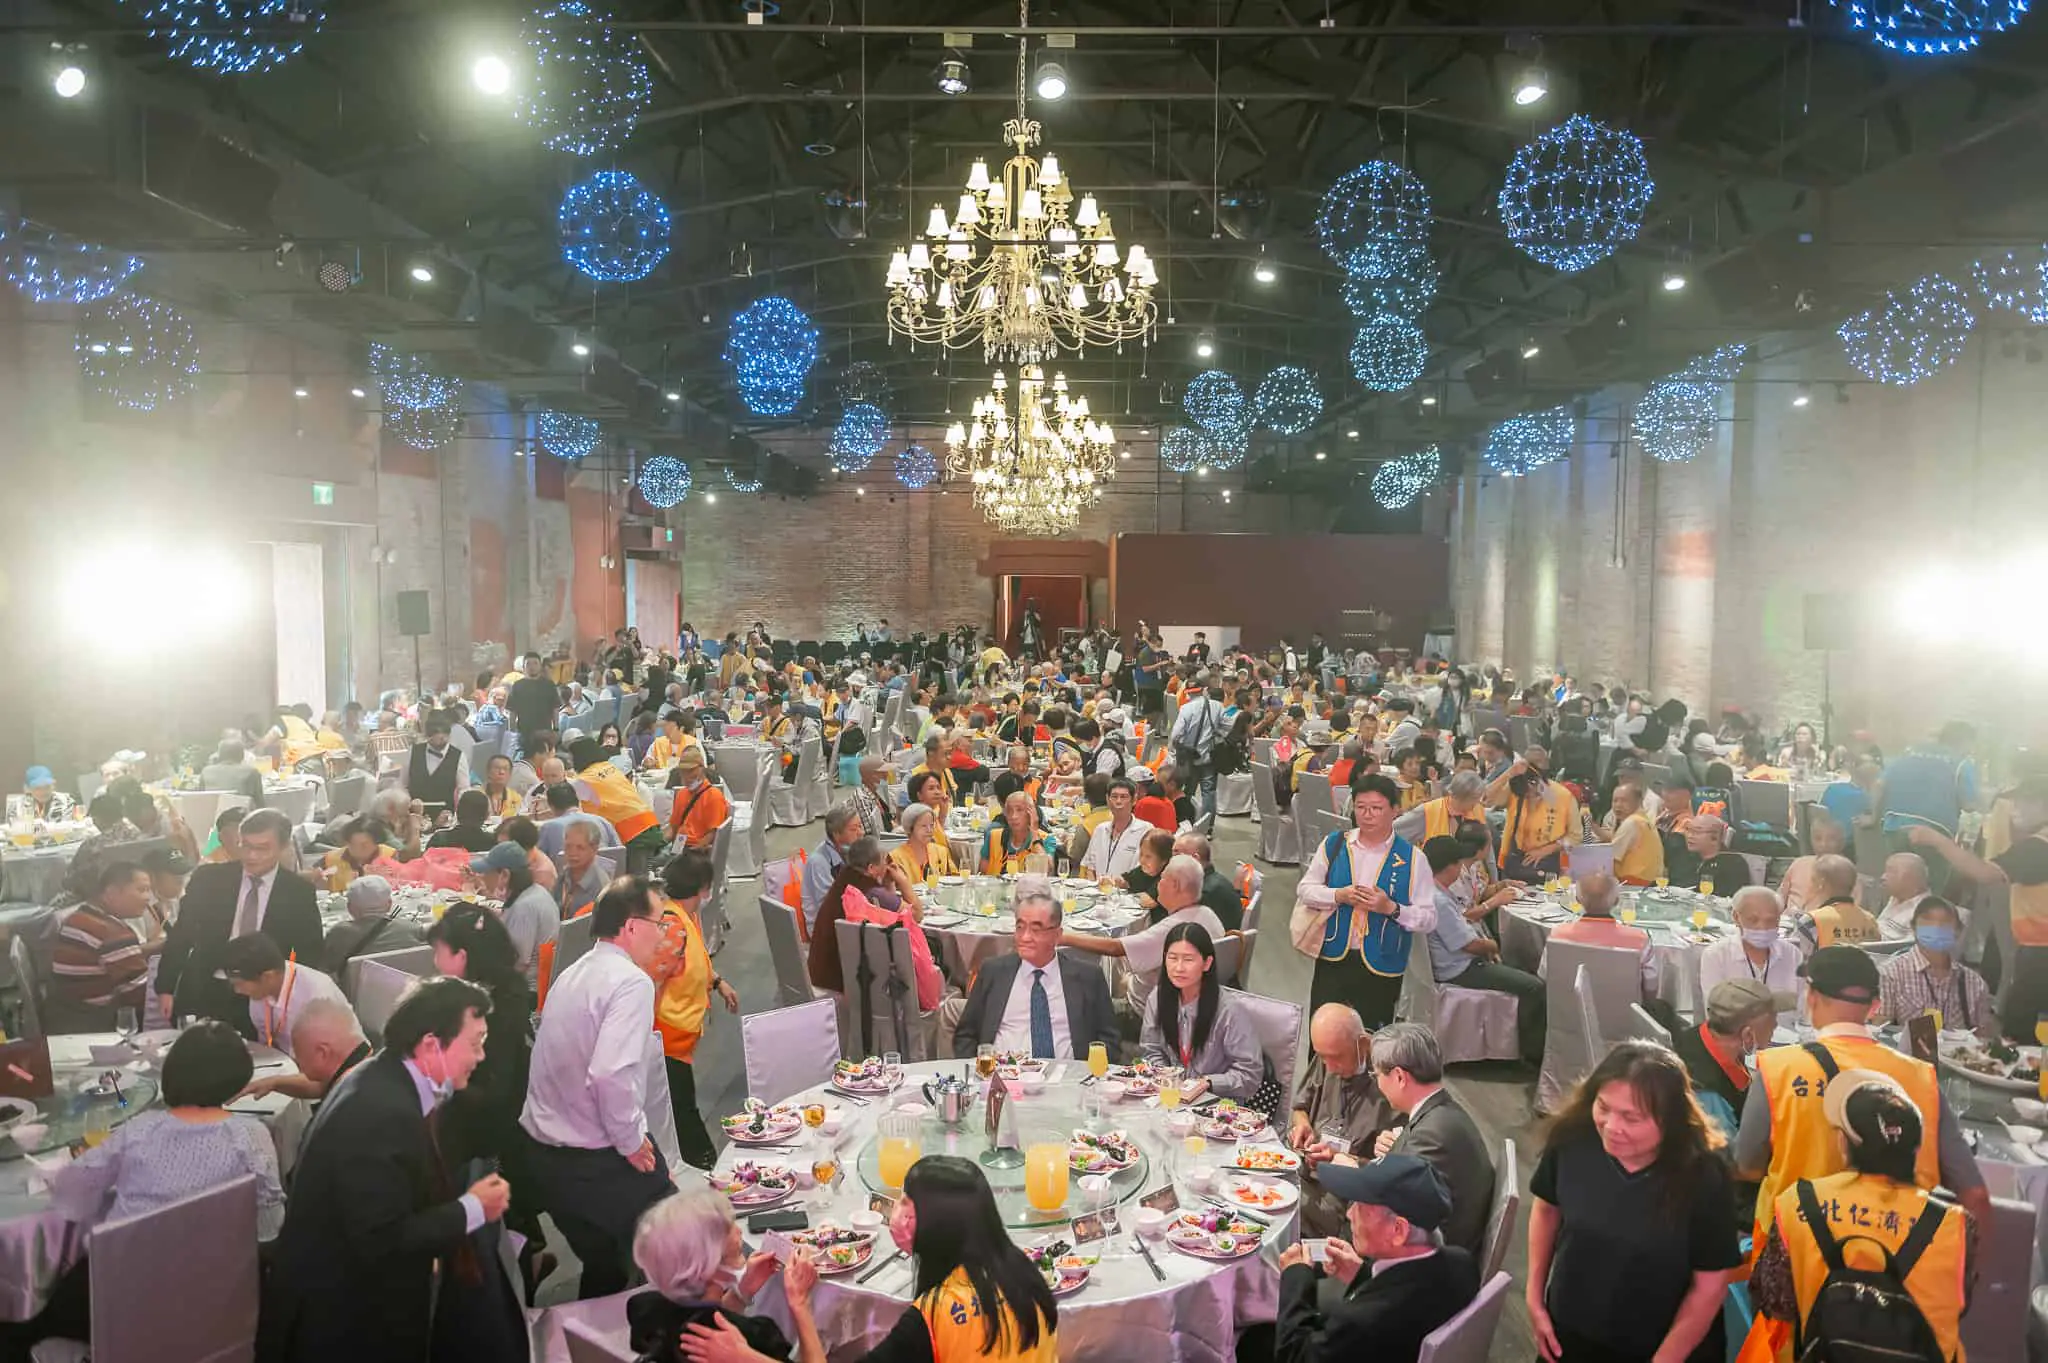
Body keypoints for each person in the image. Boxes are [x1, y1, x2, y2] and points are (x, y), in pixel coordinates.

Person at [260, 977, 506, 1363]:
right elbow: (383, 1239)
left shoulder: (385, 1077)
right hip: (341, 1324)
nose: (481, 1056)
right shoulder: (380, 1113)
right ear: (431, 1045)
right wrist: (472, 1208)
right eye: (475, 1043)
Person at [10, 1023, 287, 1356]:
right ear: (237, 1078)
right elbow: (269, 1227)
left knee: (27, 1317)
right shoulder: (252, 1136)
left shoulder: (141, 1130)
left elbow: (72, 1197)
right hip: (215, 1298)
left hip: (126, 1299)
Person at [1734, 946, 1990, 1252]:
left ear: (1811, 997)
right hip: (1897, 1261)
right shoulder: (1921, 1077)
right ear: (1874, 1007)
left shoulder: (1778, 1069)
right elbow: (1975, 1195)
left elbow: (1747, 1167)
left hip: (1794, 1254)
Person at [683, 1154, 1057, 1363]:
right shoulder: (1023, 1273)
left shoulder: (932, 1316)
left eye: (907, 1203)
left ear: (937, 1224)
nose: (896, 1212)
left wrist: (749, 1351)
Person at [1526, 1042, 1743, 1363]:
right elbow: (1546, 1208)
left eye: (1632, 1118)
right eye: (1603, 1107)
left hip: (1658, 1345)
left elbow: (1709, 1287)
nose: (1612, 1127)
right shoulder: (1573, 1139)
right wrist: (1534, 1299)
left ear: (1670, 1120)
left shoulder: (1704, 1178)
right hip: (1570, 1330)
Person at [519, 876, 675, 1298]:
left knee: (606, 1266)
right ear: (632, 926)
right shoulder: (631, 982)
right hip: (593, 1161)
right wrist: (630, 1142)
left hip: (543, 1156)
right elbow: (610, 1074)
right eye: (660, 923)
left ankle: (598, 1327)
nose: (663, 935)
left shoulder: (573, 972)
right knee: (686, 1239)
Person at [1748, 1073, 1973, 1363]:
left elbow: (1774, 1302)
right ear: (1916, 1149)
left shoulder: (1799, 1203)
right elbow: (1958, 1306)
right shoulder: (1956, 1223)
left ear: (1844, 1143)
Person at [1269, 1156, 1479, 1363]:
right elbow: (1407, 1291)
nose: (1350, 1214)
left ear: (1398, 1230)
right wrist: (1362, 1274)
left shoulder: (1361, 1322)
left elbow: (1295, 1355)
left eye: (1360, 1206)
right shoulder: (1462, 1263)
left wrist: (1295, 1277)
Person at [1902, 777, 2048, 1036]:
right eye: (2014, 803)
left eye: (2024, 803)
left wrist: (1937, 840)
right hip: (2036, 949)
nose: (2014, 810)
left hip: (2041, 952)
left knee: (2021, 1032)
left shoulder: (2037, 847)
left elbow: (1982, 872)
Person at [1294, 775, 1439, 1027]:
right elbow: (1305, 889)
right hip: (1334, 956)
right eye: (1361, 807)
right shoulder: (1335, 844)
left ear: (1395, 810)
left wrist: (1391, 908)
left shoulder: (1413, 858)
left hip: (1383, 960)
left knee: (1372, 1035)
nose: (1367, 815)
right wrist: (1338, 895)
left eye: (1376, 808)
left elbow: (1428, 919)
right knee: (1325, 1031)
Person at [159, 809, 322, 1027]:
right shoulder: (210, 879)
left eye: (262, 848)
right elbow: (181, 935)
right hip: (207, 986)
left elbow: (308, 953)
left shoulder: (298, 892)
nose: (251, 856)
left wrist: (292, 998)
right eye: (245, 845)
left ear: (283, 847)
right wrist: (166, 987)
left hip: (263, 996)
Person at [1366, 1023, 1496, 1256]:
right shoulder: (1444, 1112)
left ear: (1399, 1077)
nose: (1378, 1084)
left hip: (1428, 1263)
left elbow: (1391, 1214)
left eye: (1377, 1075)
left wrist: (1355, 1171)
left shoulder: (1431, 1136)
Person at [950, 885, 1119, 1060]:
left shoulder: (1088, 977)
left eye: (1036, 930)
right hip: (1002, 1072)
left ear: (1057, 935)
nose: (1025, 937)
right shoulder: (993, 972)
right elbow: (965, 1035)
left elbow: (1110, 1040)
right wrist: (980, 1070)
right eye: (1020, 927)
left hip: (1068, 1072)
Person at [628, 1188, 795, 1363]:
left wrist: (740, 1293)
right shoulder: (758, 1336)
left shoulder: (645, 1309)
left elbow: (703, 1317)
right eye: (729, 1228)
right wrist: (800, 1306)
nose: (739, 1231)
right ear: (708, 1261)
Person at [1421, 834, 1544, 1064]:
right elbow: (1469, 945)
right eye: (1458, 864)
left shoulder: (1431, 890)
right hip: (1459, 968)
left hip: (1455, 960)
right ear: (1451, 867)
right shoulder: (1439, 900)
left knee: (1520, 967)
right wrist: (1492, 945)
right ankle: (1531, 1054)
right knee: (1534, 987)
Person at [657, 851, 740, 1169]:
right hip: (666, 1036)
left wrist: (717, 982)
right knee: (682, 1108)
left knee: (681, 1104)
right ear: (704, 888)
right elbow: (649, 982)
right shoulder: (672, 926)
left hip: (678, 1033)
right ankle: (705, 1165)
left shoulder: (683, 917)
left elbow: (693, 961)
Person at [1286, 1004, 1393, 1239]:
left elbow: (1390, 1174)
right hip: (1305, 1169)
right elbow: (1300, 1107)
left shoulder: (1390, 1082)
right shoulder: (1327, 1056)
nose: (1330, 1068)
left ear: (1363, 1044)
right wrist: (1302, 1125)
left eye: (1336, 1058)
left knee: (1281, 1205)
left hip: (1344, 1195)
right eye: (1322, 1056)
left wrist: (1338, 1158)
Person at [1063, 854, 1225, 1007]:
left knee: (1082, 1004)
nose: (1158, 885)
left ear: (1174, 885)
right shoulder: (1209, 915)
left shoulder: (1175, 929)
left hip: (1145, 1010)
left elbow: (1115, 948)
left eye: (1162, 879)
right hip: (1196, 1004)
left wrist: (1065, 937)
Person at [807, 838, 943, 1012]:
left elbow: (890, 912)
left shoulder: (845, 879)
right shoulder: (873, 892)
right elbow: (916, 915)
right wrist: (903, 881)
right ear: (871, 868)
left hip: (822, 971)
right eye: (885, 860)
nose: (888, 865)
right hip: (848, 986)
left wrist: (888, 884)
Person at [1137, 923, 1265, 1103]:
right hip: (1170, 1095)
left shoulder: (1229, 1010)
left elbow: (1250, 1075)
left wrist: (1209, 1083)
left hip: (1215, 1104)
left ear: (1207, 963)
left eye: (1188, 959)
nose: (1179, 967)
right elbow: (1150, 1050)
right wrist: (1167, 1077)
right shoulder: (1157, 998)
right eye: (1172, 958)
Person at [48, 860, 154, 1032]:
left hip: (68, 1012)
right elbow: (142, 996)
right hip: (95, 1022)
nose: (148, 897)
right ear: (111, 892)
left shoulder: (81, 916)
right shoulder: (112, 932)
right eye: (142, 890)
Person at [1671, 979, 1782, 1137]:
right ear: (1747, 1035)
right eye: (1772, 1018)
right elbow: (1730, 1150)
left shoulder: (1701, 1036)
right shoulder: (1710, 1098)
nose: (1776, 1025)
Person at [1872, 896, 1994, 1038]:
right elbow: (1880, 1030)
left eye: (1945, 921)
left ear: (1958, 931)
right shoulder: (1890, 974)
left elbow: (1983, 1037)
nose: (1936, 927)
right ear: (1914, 927)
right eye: (1928, 919)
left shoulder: (1974, 983)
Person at [222, 932, 351, 1057]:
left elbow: (327, 1062)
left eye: (240, 984)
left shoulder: (317, 996)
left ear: (268, 977)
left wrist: (277, 1074)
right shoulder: (261, 990)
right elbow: (265, 1038)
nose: (237, 990)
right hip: (285, 1059)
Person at [1539, 871, 1660, 1003]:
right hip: (1626, 1013)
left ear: (1578, 900)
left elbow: (1544, 975)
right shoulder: (1639, 940)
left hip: (1567, 1010)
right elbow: (1651, 985)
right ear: (1617, 901)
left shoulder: (1558, 934)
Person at [1699, 886, 1803, 1026]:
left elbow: (1803, 1007)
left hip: (1787, 1034)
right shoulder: (1716, 955)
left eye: (1770, 920)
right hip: (1736, 1034)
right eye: (1753, 920)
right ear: (1736, 917)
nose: (1762, 928)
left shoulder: (1792, 954)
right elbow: (1716, 1014)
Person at [467, 841, 558, 985]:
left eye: (487, 872)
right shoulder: (536, 891)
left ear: (505, 875)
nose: (483, 877)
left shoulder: (523, 908)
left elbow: (518, 963)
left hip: (528, 987)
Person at [571, 737, 665, 874]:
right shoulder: (610, 767)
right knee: (642, 878)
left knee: (634, 882)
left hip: (631, 832)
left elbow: (567, 801)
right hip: (649, 823)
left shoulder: (583, 780)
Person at [1489, 751, 1580, 881]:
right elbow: (1486, 799)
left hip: (1548, 866)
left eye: (1532, 794)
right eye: (1525, 796)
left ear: (1538, 782)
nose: (1529, 798)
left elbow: (1575, 836)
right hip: (1514, 862)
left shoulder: (1564, 797)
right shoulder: (1515, 787)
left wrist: (1548, 849)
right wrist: (1508, 773)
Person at [320, 874, 425, 977]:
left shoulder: (339, 934)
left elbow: (323, 972)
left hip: (355, 988)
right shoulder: (412, 930)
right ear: (389, 904)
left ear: (350, 908)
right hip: (406, 987)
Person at [1792, 853, 1882, 950]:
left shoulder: (1811, 921)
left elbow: (1798, 956)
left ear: (1821, 883)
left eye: (1813, 879)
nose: (1810, 884)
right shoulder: (1869, 920)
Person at [800, 801, 863, 938]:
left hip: (847, 918)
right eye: (854, 829)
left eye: (860, 826)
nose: (861, 833)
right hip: (825, 930)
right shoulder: (818, 862)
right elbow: (831, 906)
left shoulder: (848, 852)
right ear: (836, 834)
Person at [1080, 777, 1153, 880]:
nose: (1118, 801)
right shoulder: (1100, 829)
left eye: (1124, 797)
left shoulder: (1146, 830)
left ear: (1134, 800)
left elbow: (1145, 870)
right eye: (1114, 796)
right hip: (1098, 888)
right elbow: (1089, 867)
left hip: (1127, 889)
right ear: (1107, 799)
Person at [1776, 814, 1849, 916]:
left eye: (1831, 839)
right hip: (1788, 921)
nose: (1824, 844)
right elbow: (1779, 898)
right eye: (1818, 838)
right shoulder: (1799, 864)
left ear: (1842, 842)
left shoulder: (1848, 875)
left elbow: (1849, 914)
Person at [1174, 830, 1247, 932]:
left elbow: (1183, 930)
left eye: (1176, 853)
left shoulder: (1203, 893)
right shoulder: (1214, 880)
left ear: (1195, 859)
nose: (1171, 859)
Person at [1603, 780, 1667, 886]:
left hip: (1633, 884)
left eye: (1624, 801)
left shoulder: (1631, 822)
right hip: (1651, 884)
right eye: (1615, 801)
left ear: (1638, 802)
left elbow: (1610, 859)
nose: (1618, 805)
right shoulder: (1644, 820)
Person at [979, 790, 1059, 875]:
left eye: (1019, 810)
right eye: (1009, 811)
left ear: (1031, 813)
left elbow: (1046, 870)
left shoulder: (1046, 839)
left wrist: (1035, 835)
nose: (1013, 816)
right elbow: (983, 874)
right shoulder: (993, 836)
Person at [1669, 815, 1753, 894]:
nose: (1690, 836)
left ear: (1715, 837)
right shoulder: (1685, 857)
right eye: (1688, 830)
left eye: (1697, 832)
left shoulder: (1733, 863)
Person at [555, 818, 612, 920]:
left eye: (580, 848)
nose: (572, 853)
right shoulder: (565, 873)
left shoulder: (601, 888)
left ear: (594, 849)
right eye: (568, 846)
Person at [318, 817, 395, 892]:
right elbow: (317, 879)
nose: (358, 849)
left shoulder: (391, 856)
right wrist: (318, 881)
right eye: (353, 844)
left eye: (364, 845)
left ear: (377, 842)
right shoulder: (331, 859)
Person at [889, 803, 956, 888]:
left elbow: (955, 879)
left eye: (931, 825)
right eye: (923, 826)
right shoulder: (895, 857)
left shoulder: (941, 852)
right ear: (910, 828)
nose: (929, 830)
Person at [1875, 851, 1934, 939]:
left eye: (1891, 872)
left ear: (1912, 878)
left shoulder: (1925, 913)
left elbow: (1910, 946)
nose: (1883, 877)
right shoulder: (1896, 898)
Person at [427, 789, 497, 854]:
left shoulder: (439, 840)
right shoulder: (492, 842)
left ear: (457, 812)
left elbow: (424, 861)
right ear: (486, 815)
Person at [847, 755, 897, 838]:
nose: (887, 775)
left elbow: (891, 815)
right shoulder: (863, 799)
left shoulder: (877, 790)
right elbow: (870, 835)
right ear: (873, 776)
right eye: (883, 773)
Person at [198, 741, 264, 802]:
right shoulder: (251, 772)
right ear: (242, 755)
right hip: (240, 810)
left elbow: (200, 796)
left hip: (211, 809)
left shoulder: (206, 771)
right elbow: (259, 800)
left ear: (220, 755)